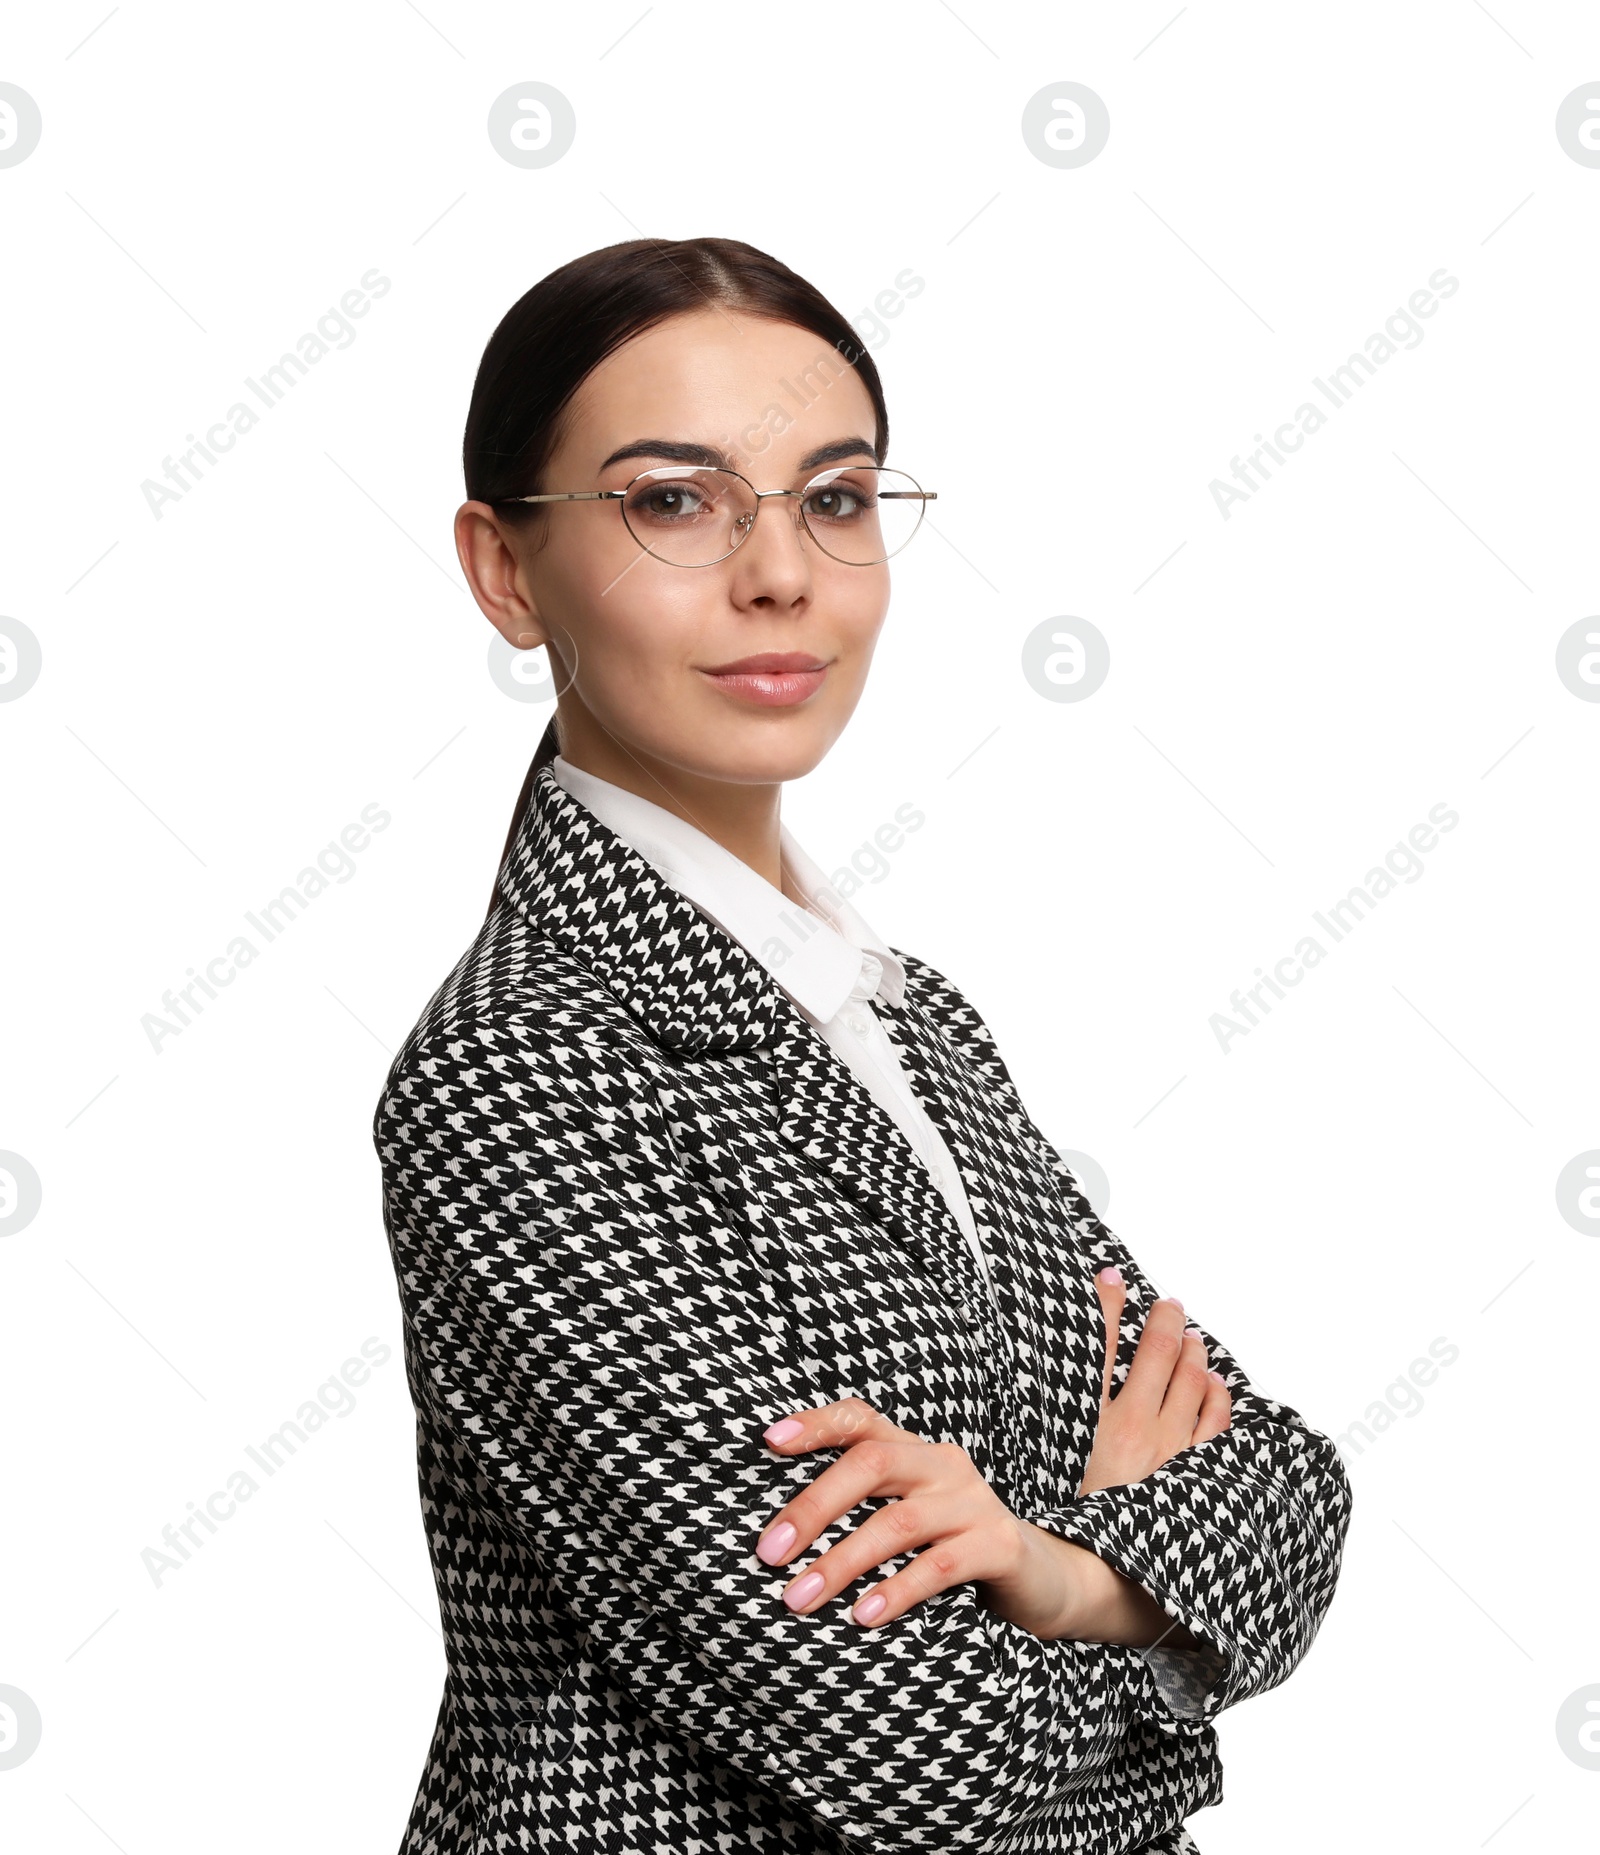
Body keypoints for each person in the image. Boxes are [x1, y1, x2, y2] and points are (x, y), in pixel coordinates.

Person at [371, 235, 1353, 1855]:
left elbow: (1295, 1499)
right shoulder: (523, 1074)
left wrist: (1045, 1569)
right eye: (672, 502)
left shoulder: (905, 1015)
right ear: (503, 567)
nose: (782, 576)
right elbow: (920, 1758)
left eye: (834, 498)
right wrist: (1156, 1619)